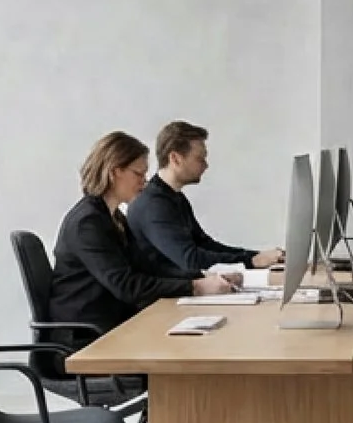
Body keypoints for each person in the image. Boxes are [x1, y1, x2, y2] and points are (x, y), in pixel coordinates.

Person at [50, 130, 238, 340]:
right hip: (86, 339)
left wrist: (203, 278)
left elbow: (146, 267)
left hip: (113, 327)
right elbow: (126, 285)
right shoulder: (87, 223)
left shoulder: (113, 218)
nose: (144, 182)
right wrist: (195, 287)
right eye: (138, 174)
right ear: (115, 172)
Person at [125, 120, 285, 277]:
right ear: (175, 158)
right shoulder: (153, 205)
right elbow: (191, 260)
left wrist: (258, 256)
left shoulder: (173, 197)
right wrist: (251, 261)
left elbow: (205, 244)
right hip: (162, 301)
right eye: (200, 158)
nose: (206, 165)